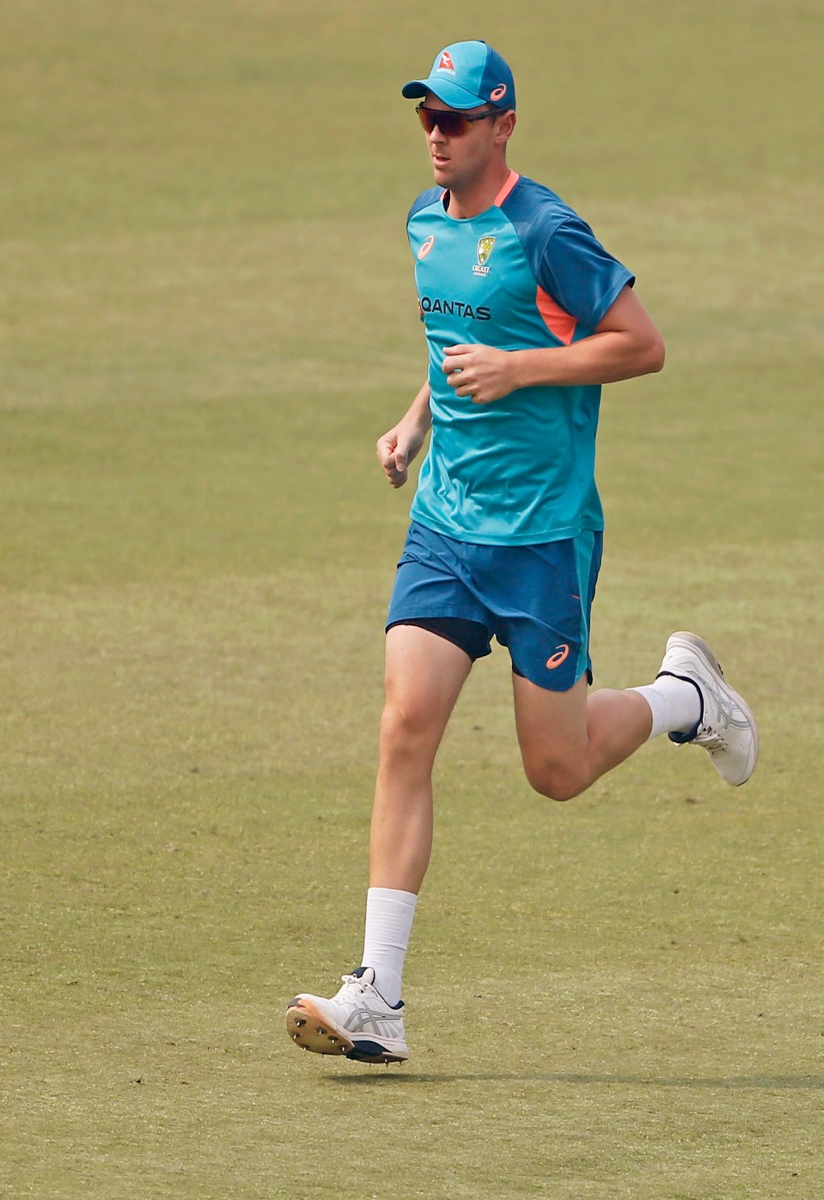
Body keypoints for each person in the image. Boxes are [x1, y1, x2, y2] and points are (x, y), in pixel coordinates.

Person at [285, 40, 758, 1066]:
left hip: (543, 536)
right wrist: (415, 420)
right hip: (447, 529)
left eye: (454, 118)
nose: (436, 135)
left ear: (502, 124)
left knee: (556, 769)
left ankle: (687, 698)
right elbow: (448, 340)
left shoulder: (547, 231)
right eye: (425, 116)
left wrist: (523, 368)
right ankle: (378, 996)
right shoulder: (421, 224)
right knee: (405, 724)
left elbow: (640, 343)